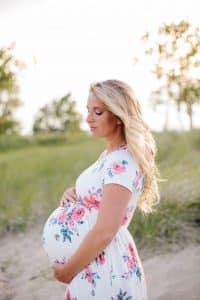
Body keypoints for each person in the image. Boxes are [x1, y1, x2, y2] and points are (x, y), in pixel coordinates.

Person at [53, 79, 160, 300]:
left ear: (118, 116)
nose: (88, 118)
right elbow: (101, 199)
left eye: (98, 112)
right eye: (88, 111)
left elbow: (105, 231)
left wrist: (67, 271)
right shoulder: (110, 156)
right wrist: (74, 196)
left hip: (106, 267)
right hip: (94, 264)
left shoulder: (122, 162)